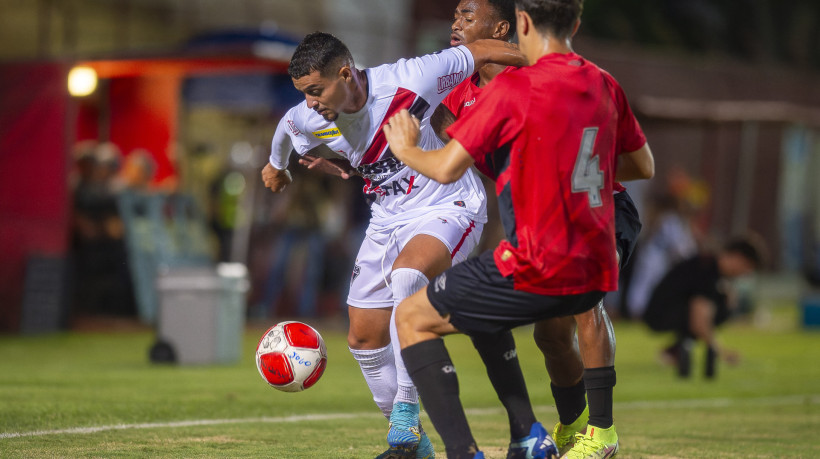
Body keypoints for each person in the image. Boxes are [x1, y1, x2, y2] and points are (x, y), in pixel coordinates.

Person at [382, 0, 654, 458]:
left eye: (467, 15)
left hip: (584, 218)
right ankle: (559, 428)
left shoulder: (516, 88)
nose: (456, 23)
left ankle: (594, 431)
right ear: (577, 23)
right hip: (556, 225)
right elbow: (642, 163)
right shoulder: (601, 82)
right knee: (548, 334)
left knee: (416, 315)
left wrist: (404, 146)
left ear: (517, 25)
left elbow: (447, 168)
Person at [261, 31, 526, 458]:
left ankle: (406, 405)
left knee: (408, 276)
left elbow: (478, 52)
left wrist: (553, 65)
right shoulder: (311, 116)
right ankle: (415, 446)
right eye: (304, 94)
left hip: (450, 203)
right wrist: (277, 167)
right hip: (386, 219)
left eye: (315, 90)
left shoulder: (411, 78)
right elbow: (286, 129)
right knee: (363, 339)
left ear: (346, 74)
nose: (310, 102)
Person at [642, 236, 764, 379]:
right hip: (659, 314)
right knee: (714, 311)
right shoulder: (707, 270)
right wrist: (721, 352)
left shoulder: (712, 267)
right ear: (737, 257)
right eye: (747, 267)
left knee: (723, 305)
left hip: (668, 309)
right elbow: (698, 321)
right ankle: (678, 350)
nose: (745, 274)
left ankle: (677, 349)